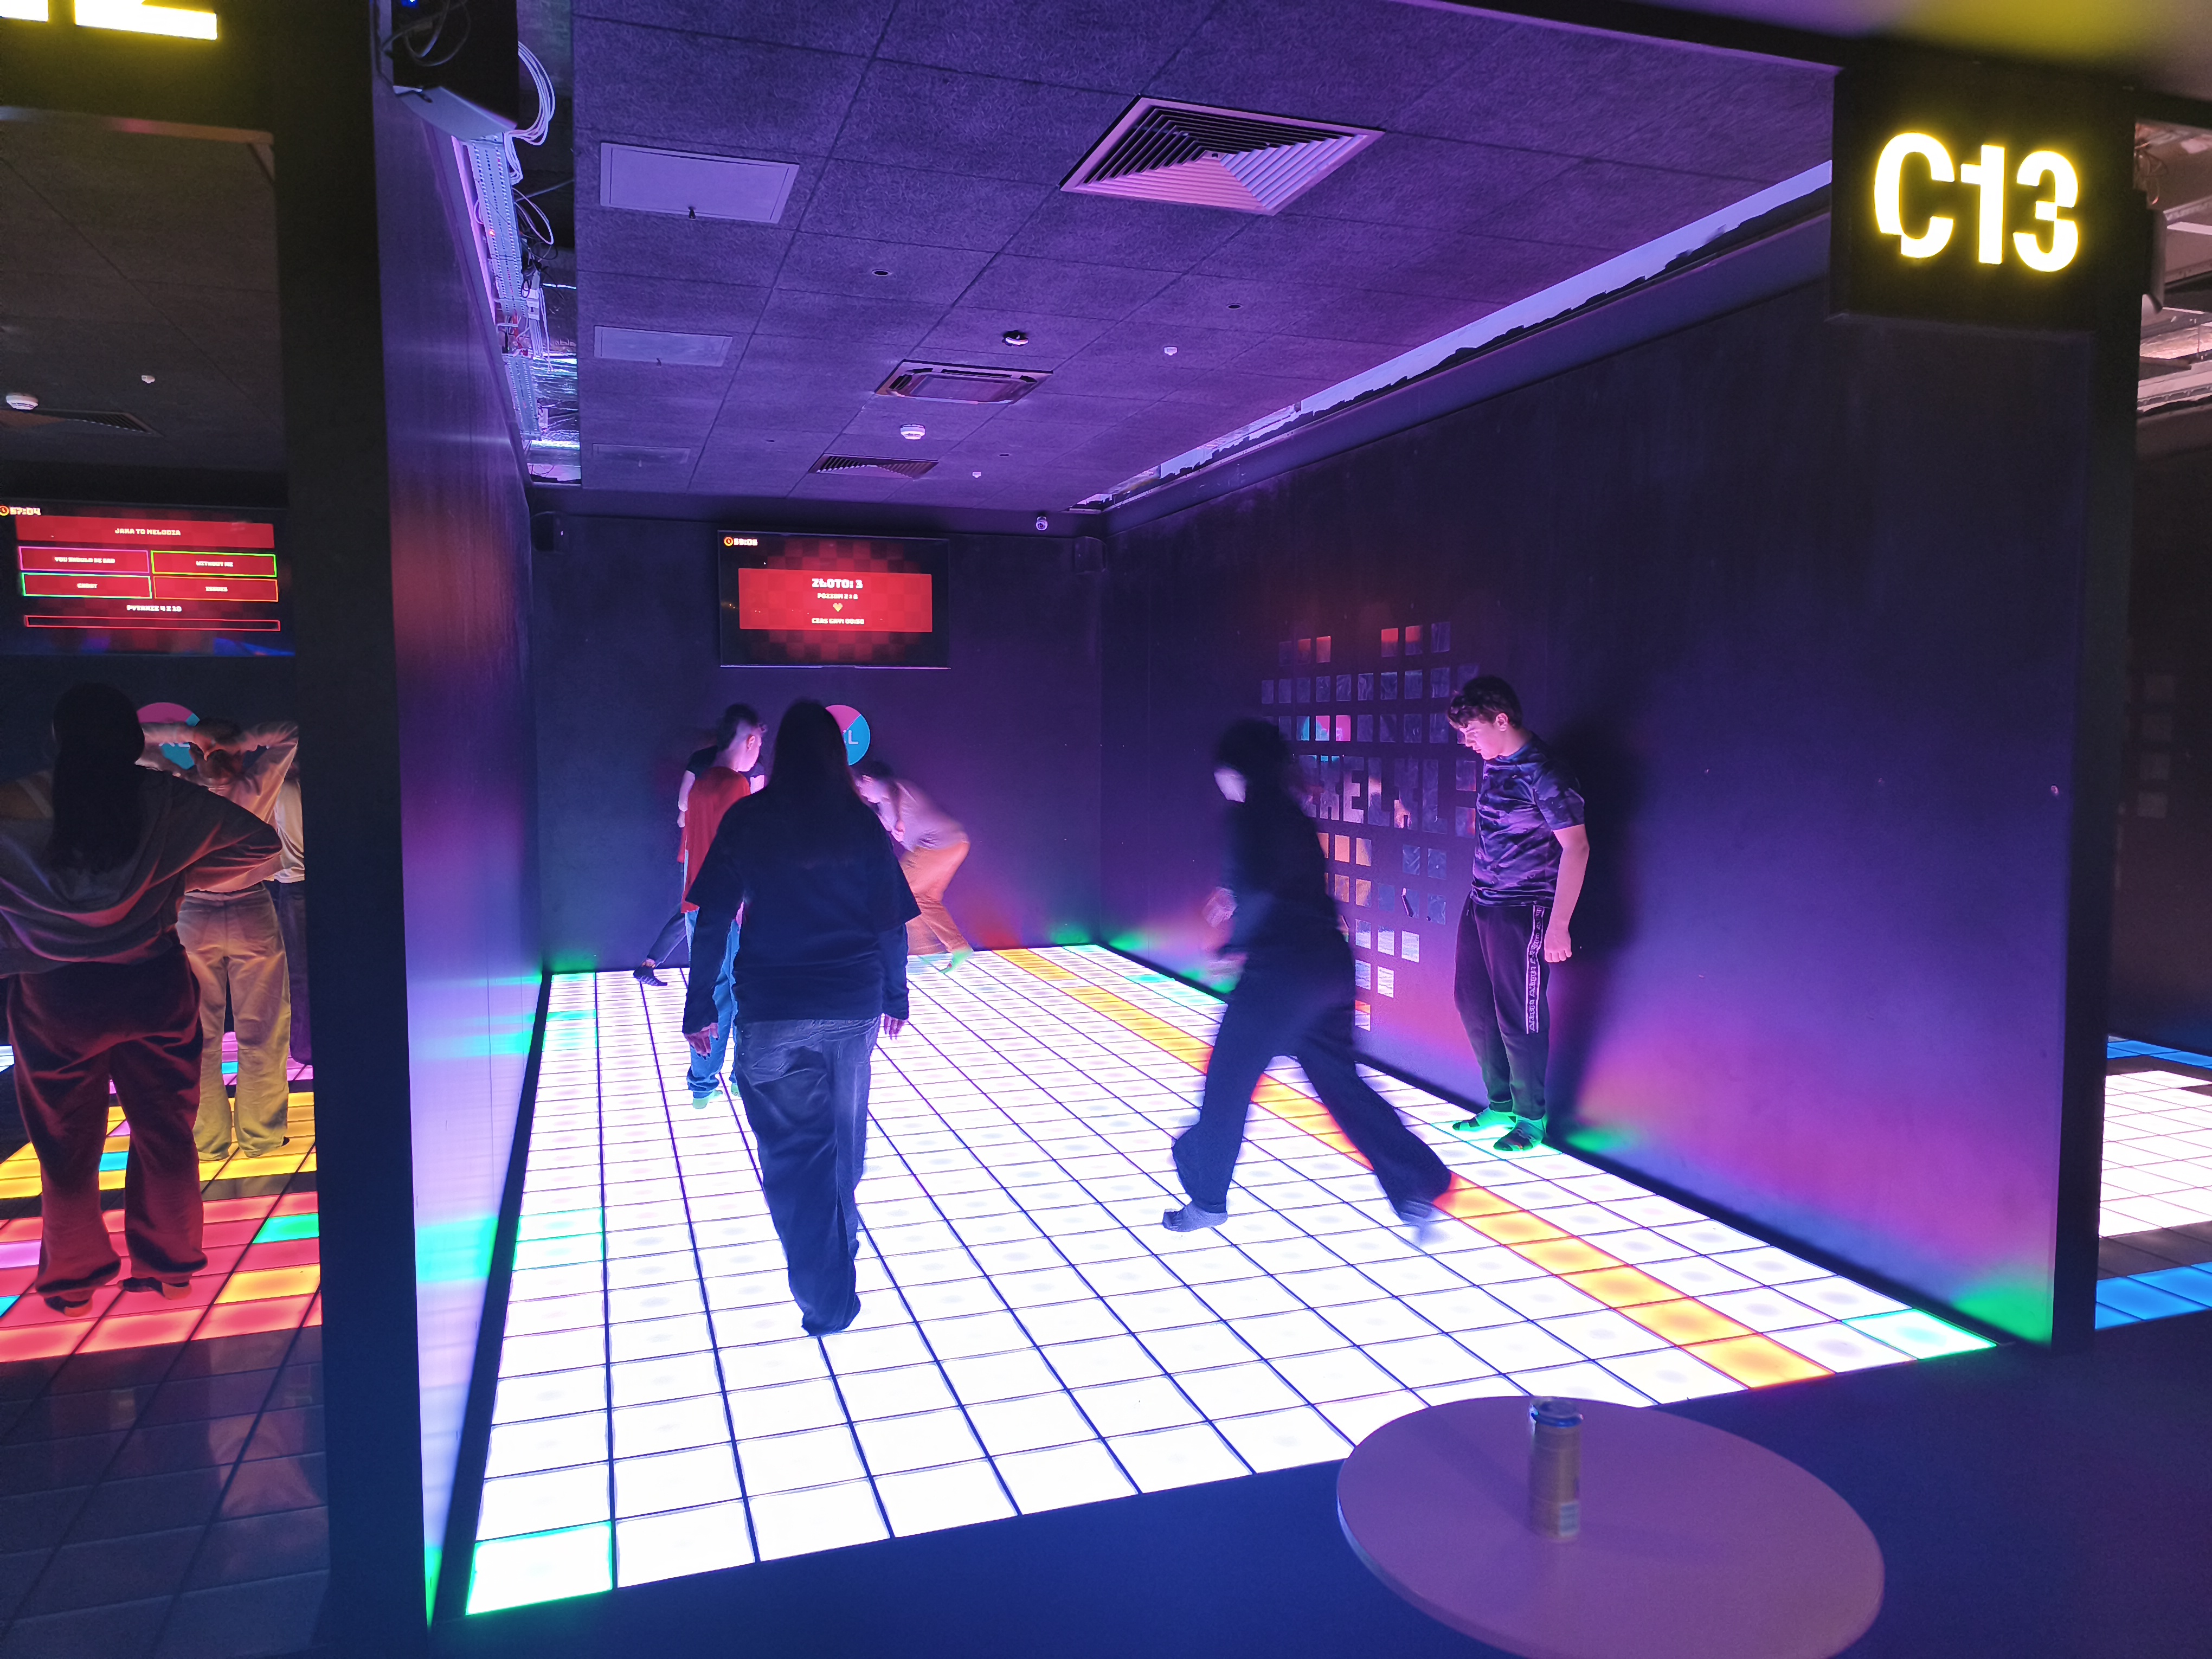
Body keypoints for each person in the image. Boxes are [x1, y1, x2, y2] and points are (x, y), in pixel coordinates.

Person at [0, 685, 279, 1314]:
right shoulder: (166, 800)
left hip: (55, 997)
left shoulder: (12, 804)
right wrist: (178, 878)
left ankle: (73, 1284)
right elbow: (260, 847)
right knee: (165, 1132)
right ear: (131, 738)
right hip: (153, 983)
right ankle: (173, 1269)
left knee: (65, 1146)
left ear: (57, 737)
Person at [683, 702, 918, 1336]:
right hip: (851, 1007)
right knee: (844, 1144)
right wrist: (895, 995)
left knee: (795, 1159)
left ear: (781, 752)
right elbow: (890, 924)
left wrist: (699, 1003)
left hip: (773, 1011)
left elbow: (713, 918)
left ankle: (827, 1295)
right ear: (838, 756)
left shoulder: (749, 819)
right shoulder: (860, 824)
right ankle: (840, 1252)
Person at [1165, 719, 1450, 1234]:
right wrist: (1236, 907)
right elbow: (1282, 886)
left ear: (1235, 768)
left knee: (1228, 1081)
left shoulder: (1247, 816)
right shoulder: (1293, 814)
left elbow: (1262, 892)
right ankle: (1417, 1182)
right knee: (1341, 1083)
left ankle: (1207, 1198)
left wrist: (1233, 947)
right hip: (1329, 966)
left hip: (1282, 972)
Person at [139, 716, 297, 1162]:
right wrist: (240, 741)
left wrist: (191, 736)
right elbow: (291, 732)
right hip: (251, 908)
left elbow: (137, 737)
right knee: (264, 1029)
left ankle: (207, 1141)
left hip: (192, 912)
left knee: (199, 1033)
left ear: (193, 752)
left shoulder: (178, 787)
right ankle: (262, 1137)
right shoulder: (257, 783)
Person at [1445, 676, 1589, 1153]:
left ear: (1501, 720)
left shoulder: (1546, 773)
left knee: (1519, 1017)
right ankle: (1501, 1104)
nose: (1468, 742)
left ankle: (1531, 1119)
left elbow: (1577, 847)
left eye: (1472, 732)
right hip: (1481, 901)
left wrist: (1559, 924)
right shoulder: (1496, 763)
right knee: (1473, 1003)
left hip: (1523, 908)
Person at [676, 705, 762, 1102]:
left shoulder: (703, 783)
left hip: (697, 903)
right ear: (751, 740)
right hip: (728, 907)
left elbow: (694, 847)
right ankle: (728, 1079)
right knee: (733, 992)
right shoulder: (735, 786)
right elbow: (739, 852)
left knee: (711, 990)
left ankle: (703, 1083)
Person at [637, 705, 757, 985]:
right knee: (722, 961)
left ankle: (651, 963)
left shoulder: (702, 768)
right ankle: (651, 964)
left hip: (695, 852)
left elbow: (683, 806)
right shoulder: (735, 780)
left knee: (693, 917)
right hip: (719, 869)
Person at [851, 758, 970, 970]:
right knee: (924, 898)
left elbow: (893, 790)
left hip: (938, 844)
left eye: (861, 787)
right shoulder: (884, 806)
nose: (863, 793)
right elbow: (876, 822)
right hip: (955, 843)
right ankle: (956, 948)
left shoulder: (893, 788)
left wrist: (899, 819)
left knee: (901, 891)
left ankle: (925, 951)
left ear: (868, 780)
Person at [268, 751, 308, 1067]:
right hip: (319, 884)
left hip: (293, 884)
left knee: (298, 972)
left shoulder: (281, 789)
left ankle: (305, 1046)